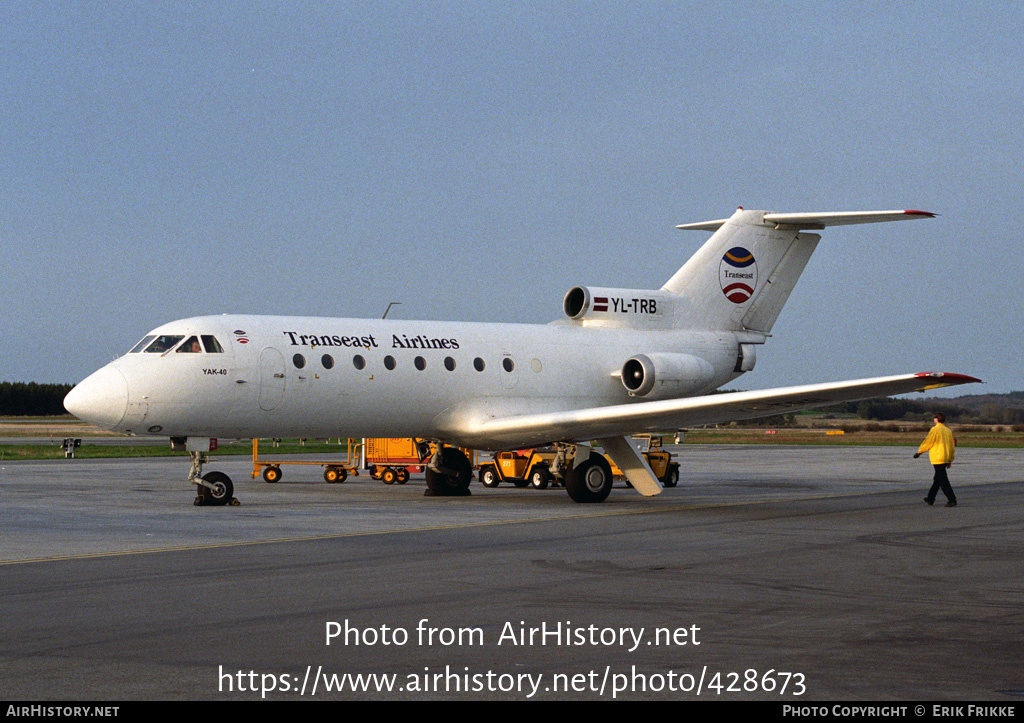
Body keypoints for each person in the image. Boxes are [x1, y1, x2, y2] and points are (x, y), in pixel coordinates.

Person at [915, 413, 958, 507]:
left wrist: (920, 452)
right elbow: (952, 446)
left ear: (936, 419)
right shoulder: (948, 431)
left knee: (943, 480)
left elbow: (928, 441)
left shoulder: (934, 429)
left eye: (934, 418)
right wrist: (950, 459)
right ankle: (930, 498)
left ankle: (952, 499)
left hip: (938, 457)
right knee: (937, 479)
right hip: (946, 457)